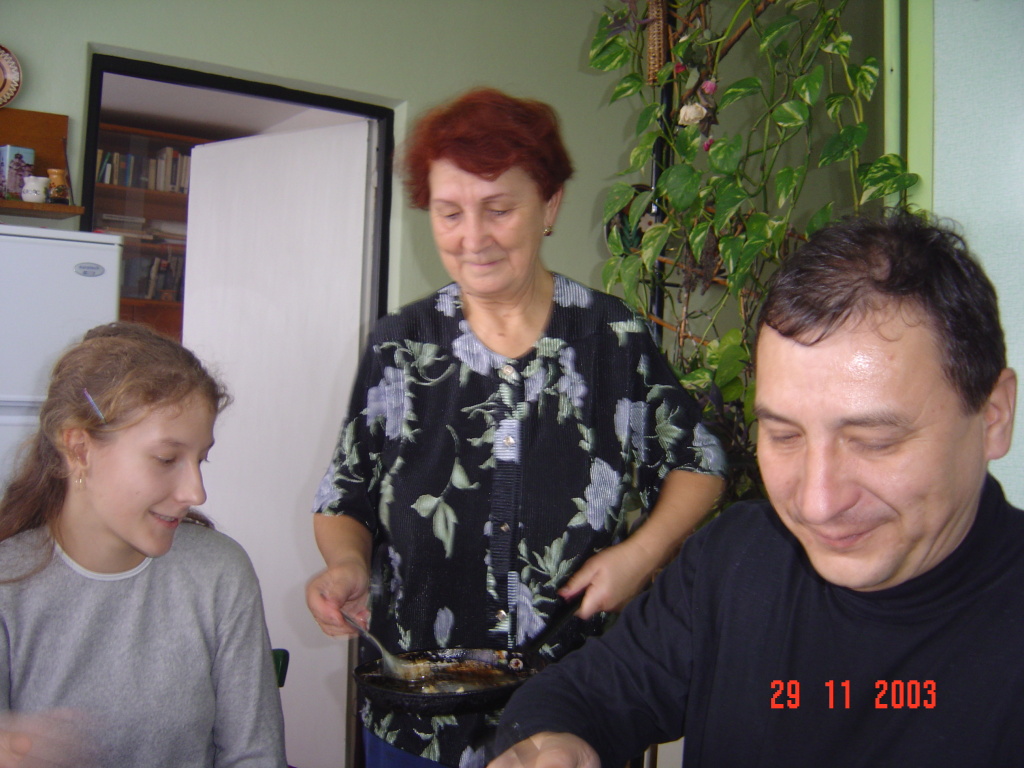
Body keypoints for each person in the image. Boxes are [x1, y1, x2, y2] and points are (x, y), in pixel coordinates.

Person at [490, 209, 1021, 767]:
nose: (817, 504)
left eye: (874, 441)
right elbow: (584, 696)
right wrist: (556, 745)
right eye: (784, 435)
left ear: (993, 417)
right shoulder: (736, 559)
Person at [305, 87, 726, 767]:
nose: (473, 238)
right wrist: (347, 563)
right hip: (415, 721)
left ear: (549, 205)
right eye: (450, 212)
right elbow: (343, 496)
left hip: (566, 715)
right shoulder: (399, 344)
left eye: (499, 209)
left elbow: (698, 462)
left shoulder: (612, 337)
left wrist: (640, 555)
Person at [0, 322, 287, 768]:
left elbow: (255, 755)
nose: (196, 492)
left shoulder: (219, 573)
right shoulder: (8, 587)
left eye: (201, 459)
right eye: (166, 459)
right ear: (79, 449)